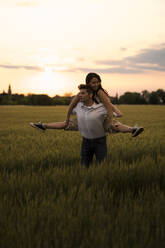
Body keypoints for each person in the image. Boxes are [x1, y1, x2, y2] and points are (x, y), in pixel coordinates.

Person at [30, 73, 144, 137]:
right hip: (87, 117)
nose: (97, 84)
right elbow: (71, 105)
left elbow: (108, 105)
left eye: (98, 82)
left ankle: (132, 130)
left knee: (114, 125)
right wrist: (67, 119)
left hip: (99, 118)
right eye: (94, 82)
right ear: (88, 83)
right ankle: (43, 125)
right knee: (66, 124)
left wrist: (111, 117)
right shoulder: (84, 92)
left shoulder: (99, 92)